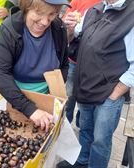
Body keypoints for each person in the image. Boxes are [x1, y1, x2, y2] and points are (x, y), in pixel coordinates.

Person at [57, 0, 134, 167]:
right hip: (86, 86)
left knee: (100, 141)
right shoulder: (96, 8)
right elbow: (75, 35)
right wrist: (69, 29)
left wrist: (117, 92)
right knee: (85, 130)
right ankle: (82, 161)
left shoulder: (131, 15)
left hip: (109, 93)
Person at [0, 0, 70, 132]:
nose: (45, 22)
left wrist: (52, 97)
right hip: (16, 99)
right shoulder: (9, 29)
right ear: (26, 7)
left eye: (52, 14)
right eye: (39, 13)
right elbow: (1, 75)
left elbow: (64, 65)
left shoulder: (59, 28)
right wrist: (31, 109)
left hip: (48, 98)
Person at [62, 0, 100, 127]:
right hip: (74, 61)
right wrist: (69, 23)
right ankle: (64, 126)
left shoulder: (111, 5)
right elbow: (64, 23)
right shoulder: (79, 1)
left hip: (95, 67)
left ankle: (81, 126)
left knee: (86, 101)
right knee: (69, 96)